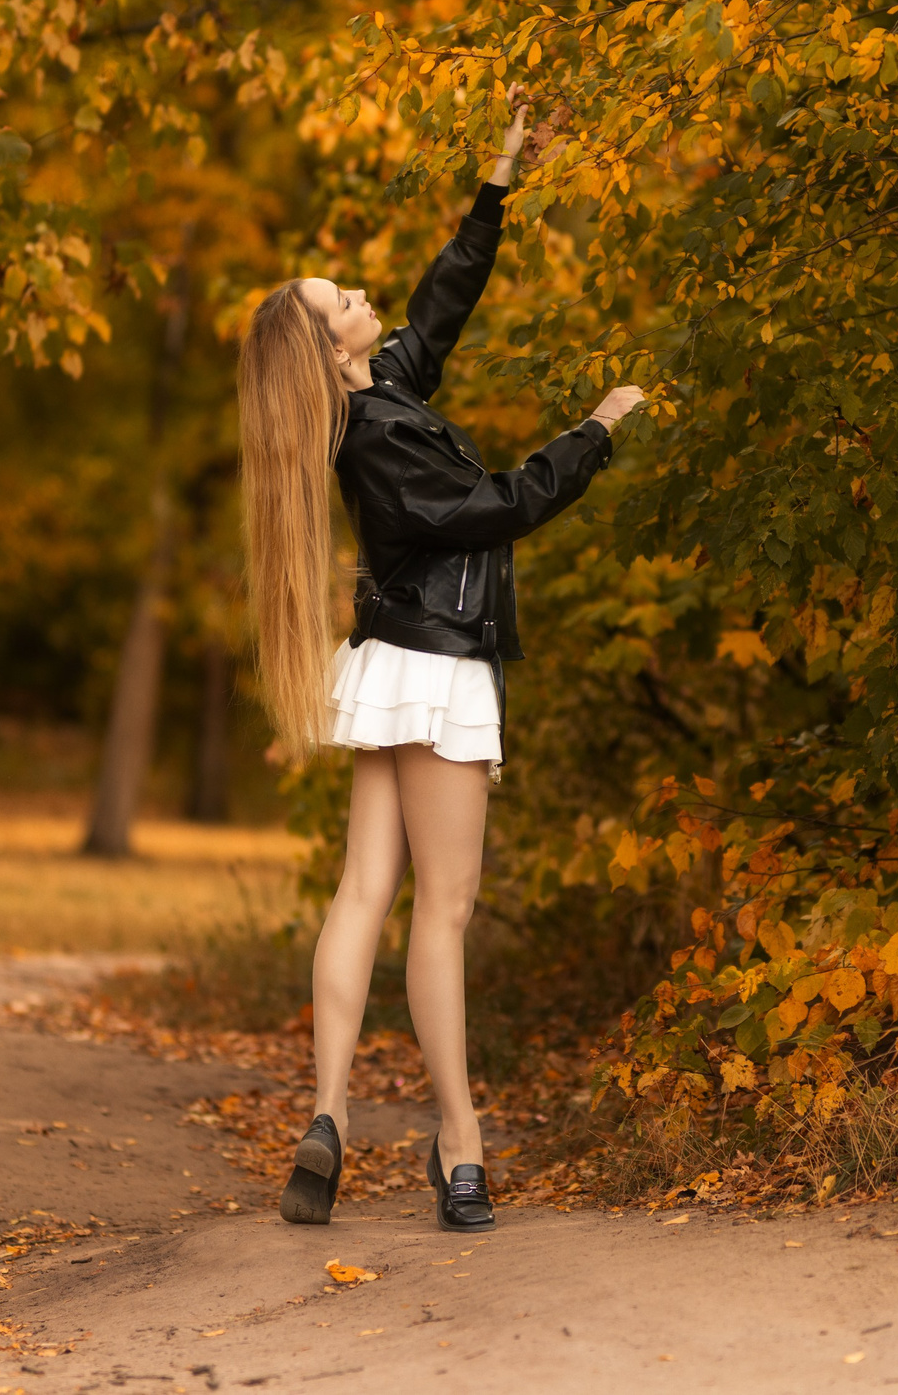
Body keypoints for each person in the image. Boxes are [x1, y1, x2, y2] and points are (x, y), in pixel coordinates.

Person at [236, 96, 643, 1232]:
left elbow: (438, 305)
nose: (363, 296)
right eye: (342, 302)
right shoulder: (378, 441)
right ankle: (458, 1140)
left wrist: (498, 185)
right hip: (435, 666)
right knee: (442, 911)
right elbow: (500, 508)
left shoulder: (377, 399)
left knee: (365, 889)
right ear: (328, 348)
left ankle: (326, 1115)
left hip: (391, 660)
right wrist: (597, 428)